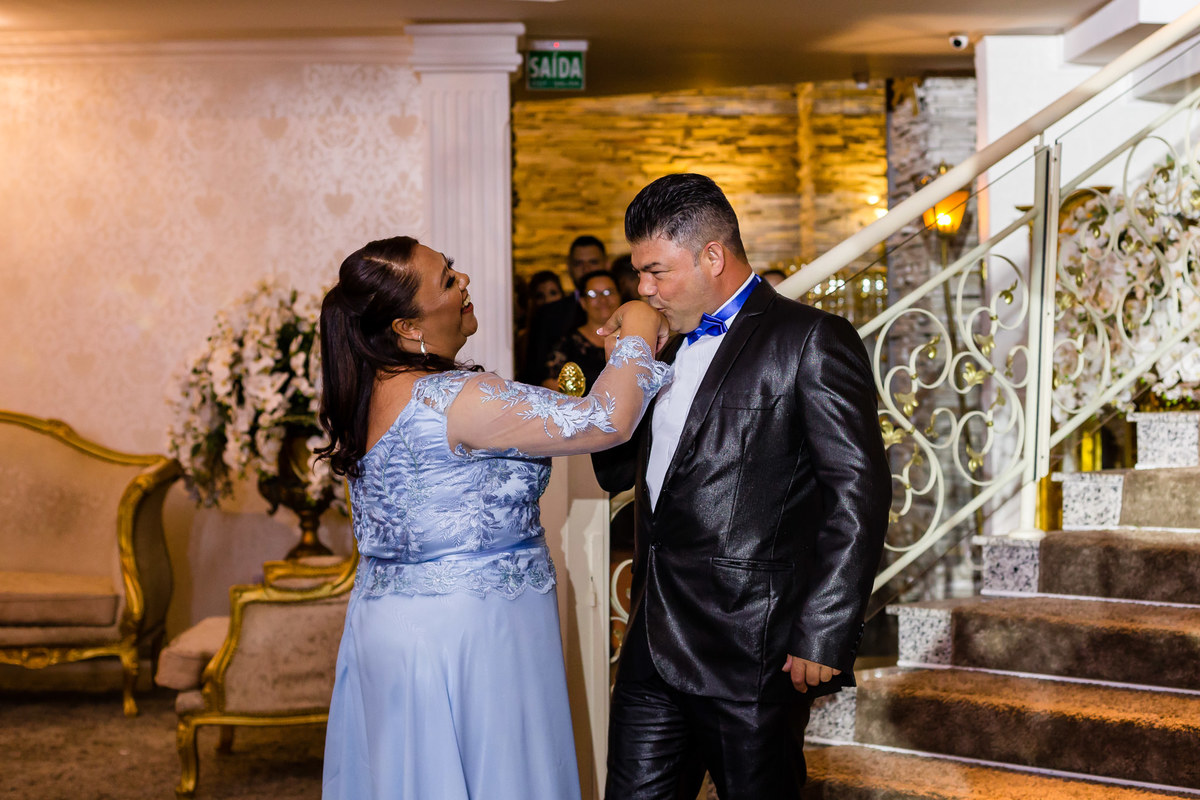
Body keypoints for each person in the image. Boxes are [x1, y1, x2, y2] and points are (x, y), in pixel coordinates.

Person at [316, 236, 670, 800]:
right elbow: (606, 419)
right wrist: (639, 328)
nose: (463, 282)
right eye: (446, 280)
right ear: (407, 325)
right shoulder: (457, 397)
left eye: (453, 269)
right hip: (475, 631)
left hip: (386, 624)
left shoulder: (369, 391)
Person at [593, 174, 891, 800]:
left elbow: (857, 496)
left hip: (751, 652)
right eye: (639, 274)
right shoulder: (660, 344)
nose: (643, 289)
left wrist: (824, 629)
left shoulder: (810, 340)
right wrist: (621, 361)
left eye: (655, 272)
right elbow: (614, 467)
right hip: (651, 642)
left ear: (712, 256)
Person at [519, 235, 608, 384]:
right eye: (579, 263)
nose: (586, 269)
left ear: (606, 263)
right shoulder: (548, 314)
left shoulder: (624, 308)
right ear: (569, 267)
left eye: (593, 262)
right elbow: (535, 373)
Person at [542, 270, 622, 391]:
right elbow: (550, 386)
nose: (603, 300)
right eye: (593, 294)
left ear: (620, 296)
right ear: (583, 302)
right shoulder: (567, 345)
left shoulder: (635, 337)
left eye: (609, 292)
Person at [514, 270, 564, 379]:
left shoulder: (574, 333)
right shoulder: (525, 339)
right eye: (540, 296)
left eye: (553, 293)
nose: (548, 300)